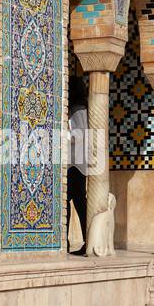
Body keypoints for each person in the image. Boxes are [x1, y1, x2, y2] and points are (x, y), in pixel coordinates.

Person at [65, 77, 89, 256]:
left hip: (75, 164)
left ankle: (86, 241)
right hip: (75, 163)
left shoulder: (78, 111)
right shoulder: (79, 110)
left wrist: (62, 133)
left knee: (77, 203)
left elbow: (78, 136)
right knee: (76, 202)